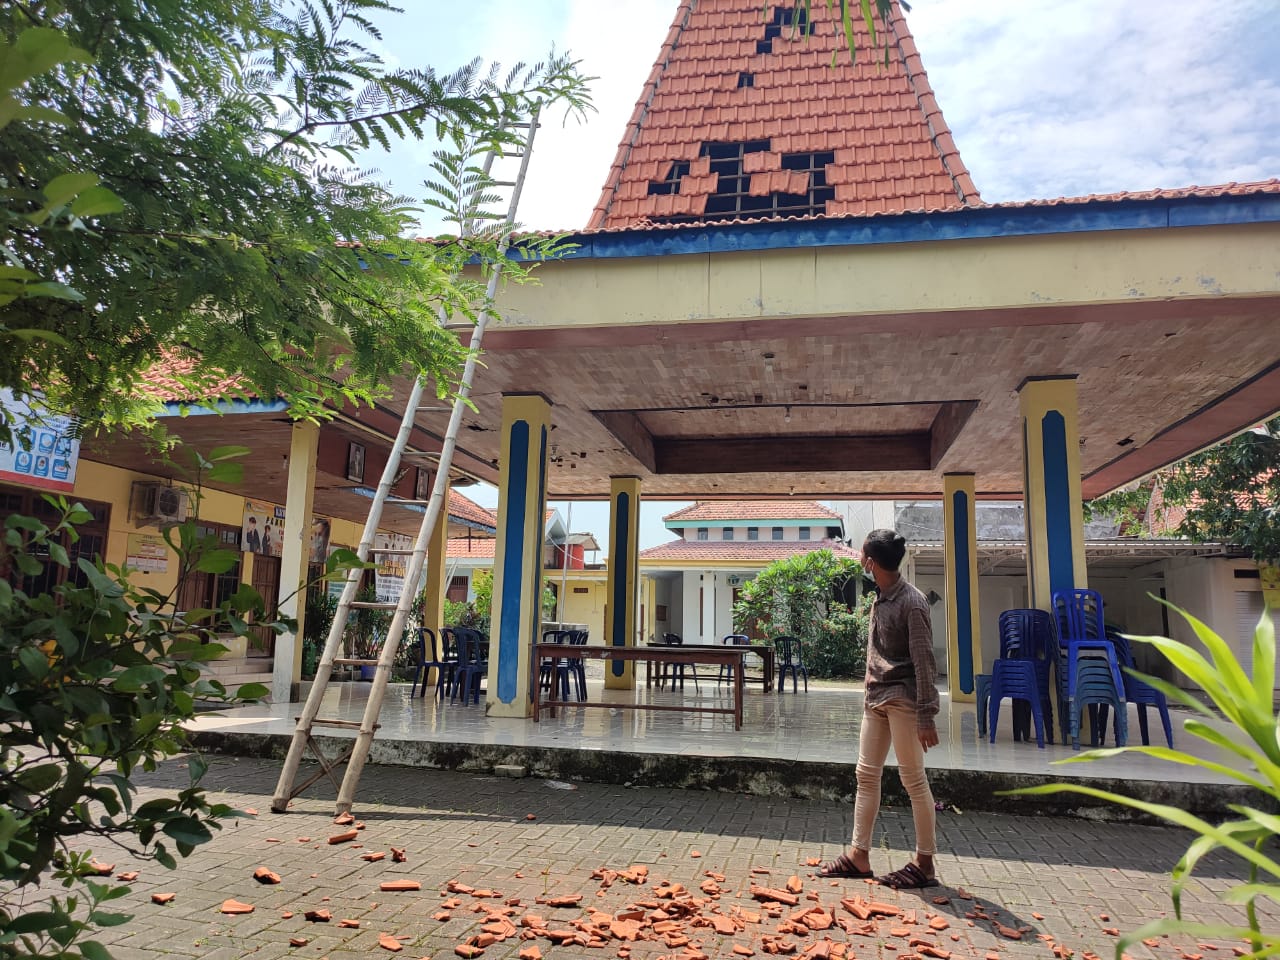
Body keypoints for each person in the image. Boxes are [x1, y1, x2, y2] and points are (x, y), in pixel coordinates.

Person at [817, 528, 940, 889]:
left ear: (870, 562)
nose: (858, 558)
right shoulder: (881, 598)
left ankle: (925, 864)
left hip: (903, 701)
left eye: (862, 554)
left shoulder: (912, 603)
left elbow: (924, 661)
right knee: (866, 775)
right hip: (875, 701)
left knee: (913, 780)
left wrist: (927, 715)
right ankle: (859, 855)